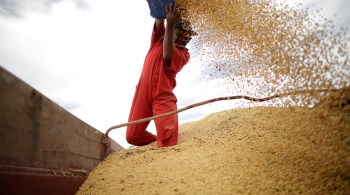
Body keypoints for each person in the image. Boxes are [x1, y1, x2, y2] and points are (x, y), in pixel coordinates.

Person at [126, 4, 196, 147]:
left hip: (162, 96)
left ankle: (164, 146)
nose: (184, 36)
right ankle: (156, 142)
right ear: (174, 30)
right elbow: (159, 19)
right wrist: (163, 9)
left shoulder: (184, 54)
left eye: (187, 35)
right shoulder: (158, 39)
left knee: (168, 143)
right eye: (181, 31)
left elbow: (167, 54)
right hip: (142, 93)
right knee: (132, 137)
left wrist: (170, 25)